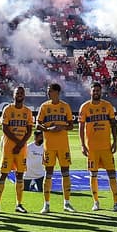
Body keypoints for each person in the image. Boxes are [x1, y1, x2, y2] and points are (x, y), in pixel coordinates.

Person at [79, 82, 117, 211]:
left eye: (98, 90)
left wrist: (115, 142)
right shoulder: (85, 107)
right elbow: (81, 128)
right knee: (93, 175)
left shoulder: (107, 106)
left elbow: (113, 125)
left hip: (106, 148)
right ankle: (96, 202)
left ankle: (116, 203)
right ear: (90, 92)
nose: (96, 93)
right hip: (92, 148)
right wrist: (82, 145)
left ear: (101, 91)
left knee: (112, 174)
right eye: (94, 91)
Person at [0, 86, 34, 215]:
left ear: (24, 96)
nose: (20, 95)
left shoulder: (27, 111)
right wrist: (17, 142)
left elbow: (29, 130)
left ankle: (19, 204)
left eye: (22, 93)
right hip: (9, 148)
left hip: (21, 149)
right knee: (3, 174)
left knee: (20, 175)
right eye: (17, 93)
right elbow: (5, 128)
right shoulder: (8, 109)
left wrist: (21, 143)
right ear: (13, 95)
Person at [36, 82, 77, 213]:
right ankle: (46, 204)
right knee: (48, 174)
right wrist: (49, 129)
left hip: (63, 146)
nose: (48, 93)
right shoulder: (44, 106)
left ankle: (67, 203)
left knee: (66, 173)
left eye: (50, 91)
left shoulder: (65, 106)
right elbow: (38, 124)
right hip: (49, 146)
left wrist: (61, 127)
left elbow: (71, 125)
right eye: (48, 91)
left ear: (57, 92)